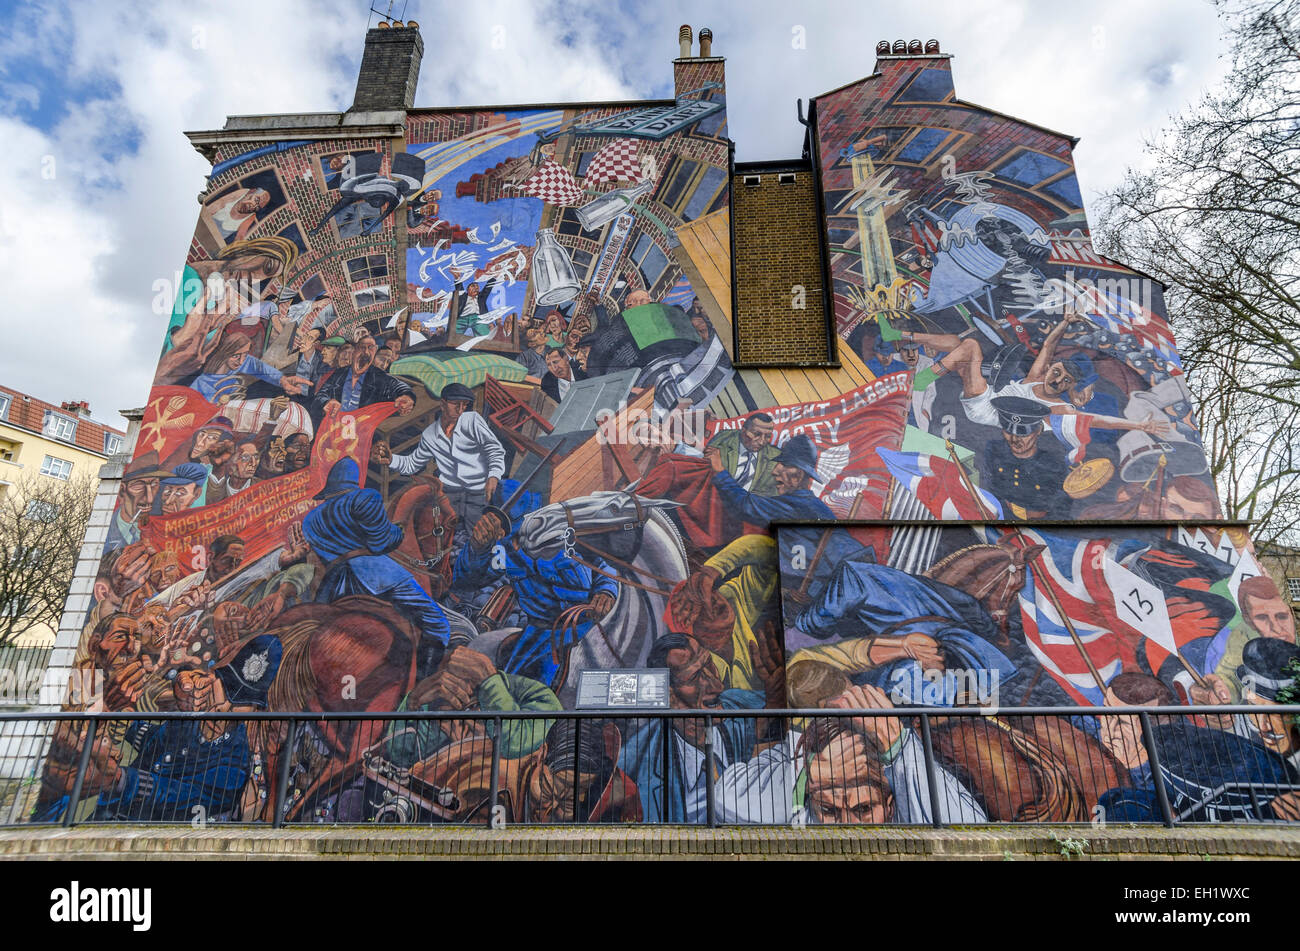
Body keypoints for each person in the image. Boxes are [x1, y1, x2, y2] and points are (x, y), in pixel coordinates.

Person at [301, 458, 451, 678]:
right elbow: (382, 543)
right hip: (375, 574)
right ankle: (421, 684)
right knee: (437, 624)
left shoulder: (310, 520)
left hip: (334, 584)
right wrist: (398, 529)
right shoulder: (365, 498)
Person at [453, 503, 619, 689]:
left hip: (587, 626)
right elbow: (466, 580)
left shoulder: (574, 542)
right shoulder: (506, 553)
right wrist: (477, 548)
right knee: (516, 685)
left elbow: (604, 568)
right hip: (540, 634)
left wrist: (606, 591)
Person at [617, 634, 764, 823]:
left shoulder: (743, 707)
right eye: (695, 676)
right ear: (669, 694)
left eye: (709, 663)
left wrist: (776, 694)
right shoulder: (633, 763)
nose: (717, 686)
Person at [373, 383, 506, 536]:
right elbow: (412, 464)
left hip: (477, 491)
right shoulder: (430, 435)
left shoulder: (472, 420)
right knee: (435, 533)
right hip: (449, 493)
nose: (460, 409)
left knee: (478, 535)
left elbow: (494, 449)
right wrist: (391, 460)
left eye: (464, 405)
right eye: (456, 404)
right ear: (443, 404)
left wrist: (493, 475)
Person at [978, 396, 1070, 519]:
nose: (1015, 440)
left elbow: (1060, 512)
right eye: (1009, 432)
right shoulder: (993, 451)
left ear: (1038, 430)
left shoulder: (1055, 466)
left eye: (1023, 433)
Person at [310, 332, 415, 425]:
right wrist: (326, 402)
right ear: (355, 351)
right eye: (362, 347)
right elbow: (320, 395)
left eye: (371, 348)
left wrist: (407, 396)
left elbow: (399, 386)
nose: (366, 352)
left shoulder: (379, 376)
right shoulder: (339, 373)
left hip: (362, 432)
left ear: (375, 352)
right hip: (336, 428)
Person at [107, 452, 171, 550]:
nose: (149, 498)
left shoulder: (161, 531)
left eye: (154, 484)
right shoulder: (106, 530)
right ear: (121, 492)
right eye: (139, 486)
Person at [704, 413, 780, 496]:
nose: (762, 442)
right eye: (756, 434)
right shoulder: (724, 440)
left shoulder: (774, 457)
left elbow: (767, 495)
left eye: (767, 436)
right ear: (743, 431)